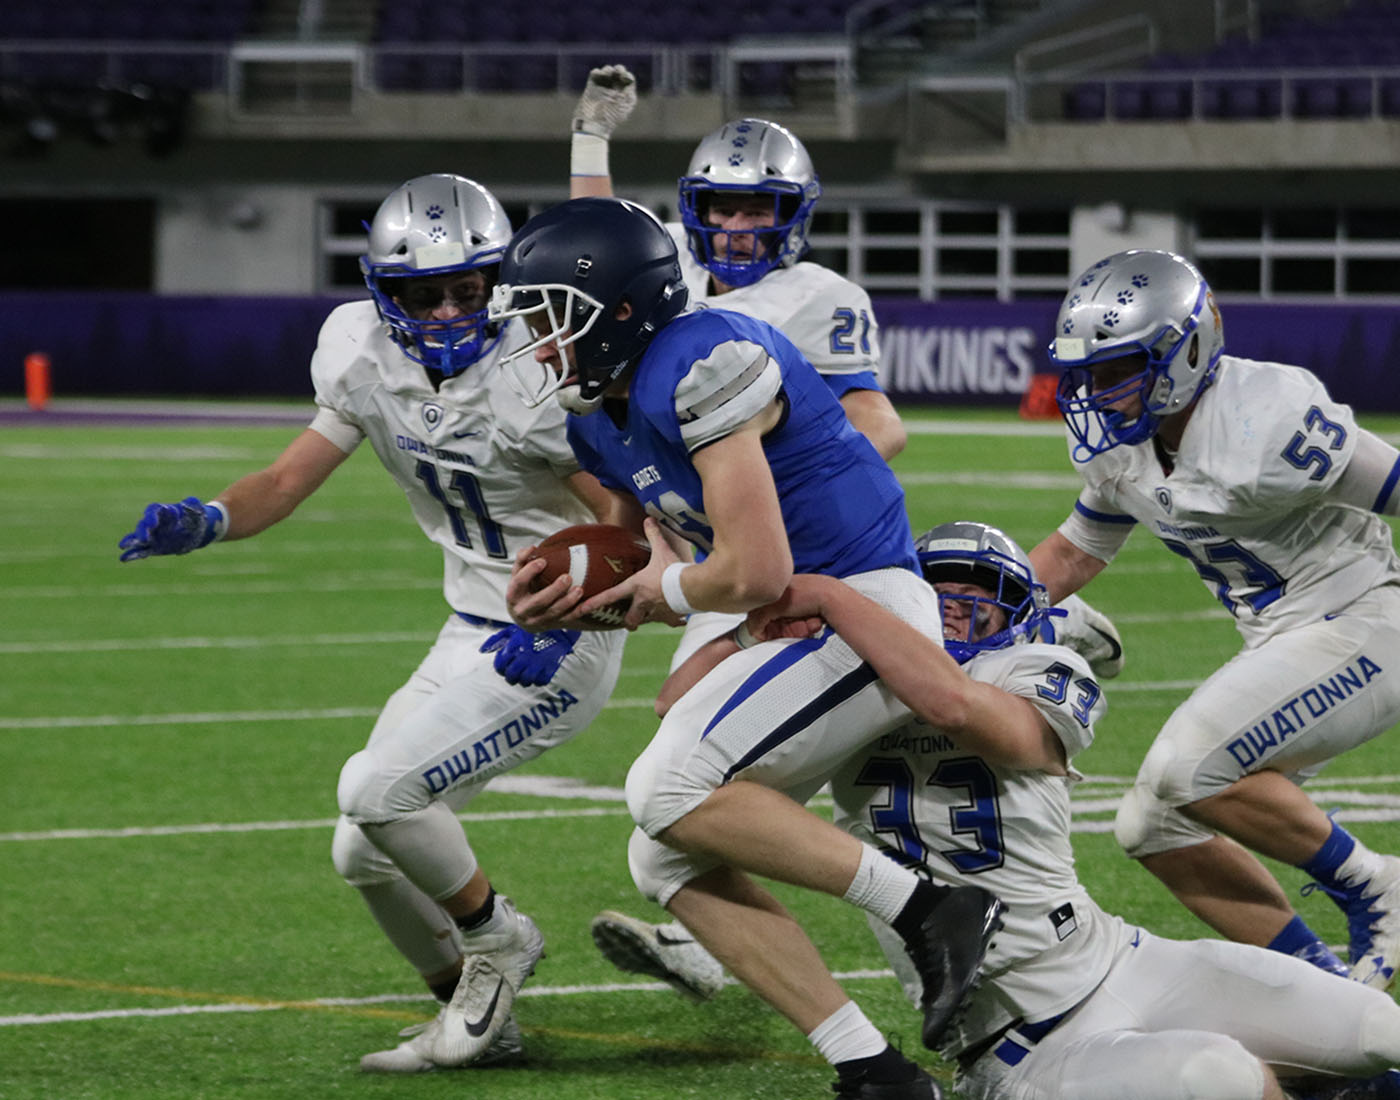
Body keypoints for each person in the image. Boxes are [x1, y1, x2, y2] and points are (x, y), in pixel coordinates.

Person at [568, 64, 1124, 997]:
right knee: (696, 760)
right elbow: (585, 248)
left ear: (794, 215)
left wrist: (760, 488)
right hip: (720, 563)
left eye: (760, 209)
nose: (739, 227)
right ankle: (742, 939)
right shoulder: (657, 281)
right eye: (725, 208)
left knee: (724, 769)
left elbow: (876, 424)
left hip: (797, 556)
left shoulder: (818, 296)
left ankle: (1027, 653)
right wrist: (590, 143)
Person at [491, 195, 1002, 1100]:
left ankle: (934, 909)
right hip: (781, 622)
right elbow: (672, 556)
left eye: (548, 317)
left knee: (664, 788)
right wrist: (578, 597)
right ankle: (871, 1069)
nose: (535, 340)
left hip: (863, 606)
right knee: (663, 853)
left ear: (618, 310)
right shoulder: (597, 412)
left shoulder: (702, 359)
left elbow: (755, 567)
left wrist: (665, 593)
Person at [117, 173, 627, 1073]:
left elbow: (630, 523)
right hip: (468, 624)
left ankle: (499, 943)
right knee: (363, 848)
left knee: (376, 791)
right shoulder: (356, 349)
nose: (447, 309)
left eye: (468, 289)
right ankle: (484, 1016)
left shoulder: (540, 370)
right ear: (380, 292)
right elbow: (284, 480)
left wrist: (572, 615)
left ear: (499, 281)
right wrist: (212, 517)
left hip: (555, 639)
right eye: (423, 293)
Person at [752, 520, 1400, 1100]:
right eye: (939, 598)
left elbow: (980, 720)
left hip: (1121, 960)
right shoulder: (847, 703)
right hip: (1017, 1039)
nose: (954, 613)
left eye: (975, 602)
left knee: (1381, 1028)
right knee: (1220, 1078)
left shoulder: (1038, 668)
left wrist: (842, 616)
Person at [1027, 248, 1400, 991]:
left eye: (1115, 370)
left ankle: (1377, 885)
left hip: (1363, 619)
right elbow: (1076, 550)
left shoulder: (1267, 422)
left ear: (1185, 352)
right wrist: (973, 609)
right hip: (1282, 637)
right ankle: (1320, 994)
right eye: (1086, 373)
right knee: (1149, 825)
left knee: (1189, 769)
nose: (1095, 393)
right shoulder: (1122, 444)